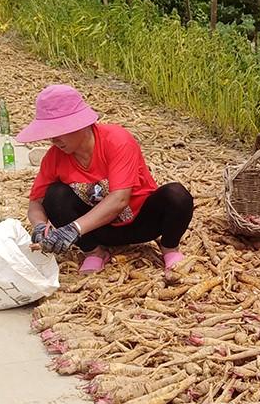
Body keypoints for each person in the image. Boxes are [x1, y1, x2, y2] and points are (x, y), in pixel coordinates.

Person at [17, 84, 193, 275]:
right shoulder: (54, 157)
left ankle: (169, 248)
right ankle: (94, 252)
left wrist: (73, 229)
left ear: (81, 125)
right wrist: (39, 226)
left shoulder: (117, 140)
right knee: (55, 195)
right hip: (97, 230)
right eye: (50, 134)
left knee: (177, 195)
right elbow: (36, 202)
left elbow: (120, 199)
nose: (54, 140)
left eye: (60, 132)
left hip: (141, 223)